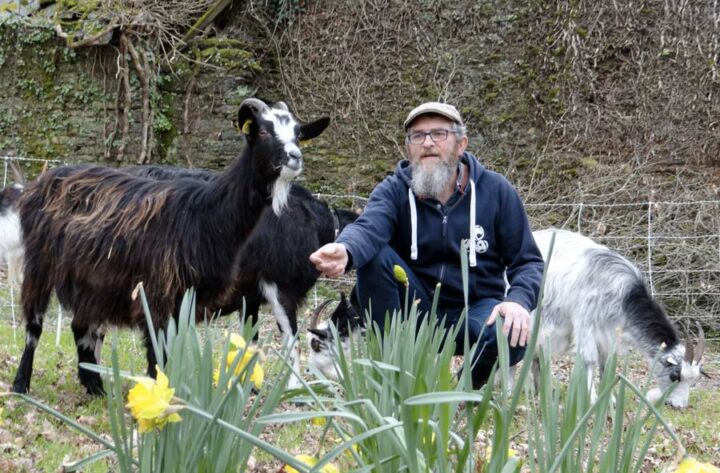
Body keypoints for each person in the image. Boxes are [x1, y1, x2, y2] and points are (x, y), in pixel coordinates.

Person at [309, 102, 544, 388]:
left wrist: (518, 301)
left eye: (439, 134)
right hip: (414, 313)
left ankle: (461, 391)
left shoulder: (496, 192)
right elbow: (369, 228)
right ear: (409, 147)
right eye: (418, 136)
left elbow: (528, 262)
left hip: (475, 311)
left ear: (460, 144)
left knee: (512, 334)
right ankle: (396, 379)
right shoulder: (393, 191)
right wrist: (346, 250)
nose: (428, 143)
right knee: (374, 256)